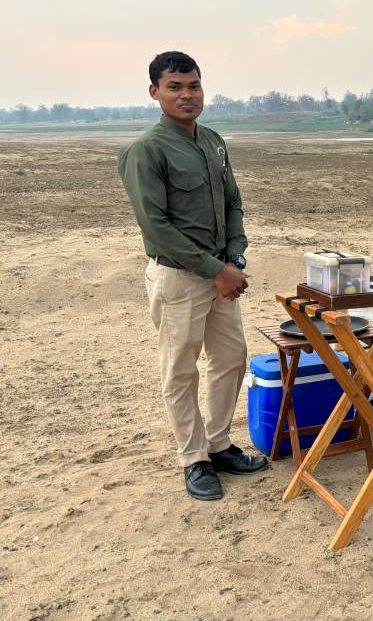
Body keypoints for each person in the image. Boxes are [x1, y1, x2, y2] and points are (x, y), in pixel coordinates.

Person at [118, 51, 268, 501]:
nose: (187, 95)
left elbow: (233, 204)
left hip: (223, 274)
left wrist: (235, 259)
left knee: (231, 360)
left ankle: (219, 445)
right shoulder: (146, 150)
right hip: (180, 278)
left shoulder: (214, 142)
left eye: (194, 86)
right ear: (155, 92)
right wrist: (214, 269)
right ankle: (193, 458)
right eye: (175, 87)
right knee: (180, 371)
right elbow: (156, 227)